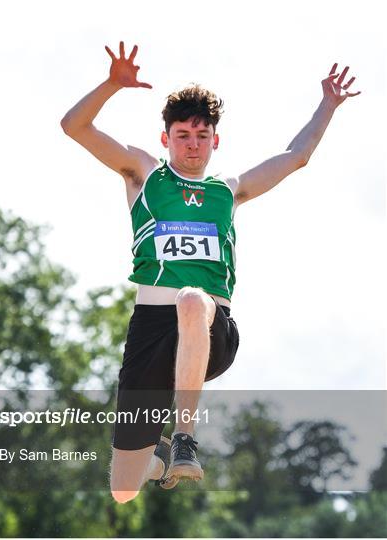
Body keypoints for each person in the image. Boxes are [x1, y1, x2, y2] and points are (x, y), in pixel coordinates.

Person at [61, 41, 360, 504]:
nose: (193, 145)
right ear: (166, 138)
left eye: (202, 136)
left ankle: (183, 439)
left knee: (192, 299)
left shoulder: (230, 190)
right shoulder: (143, 174)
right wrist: (111, 85)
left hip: (211, 329)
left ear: (215, 139)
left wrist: (327, 104)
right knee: (123, 489)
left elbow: (296, 155)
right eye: (183, 135)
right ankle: (160, 460)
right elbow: (74, 126)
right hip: (150, 333)